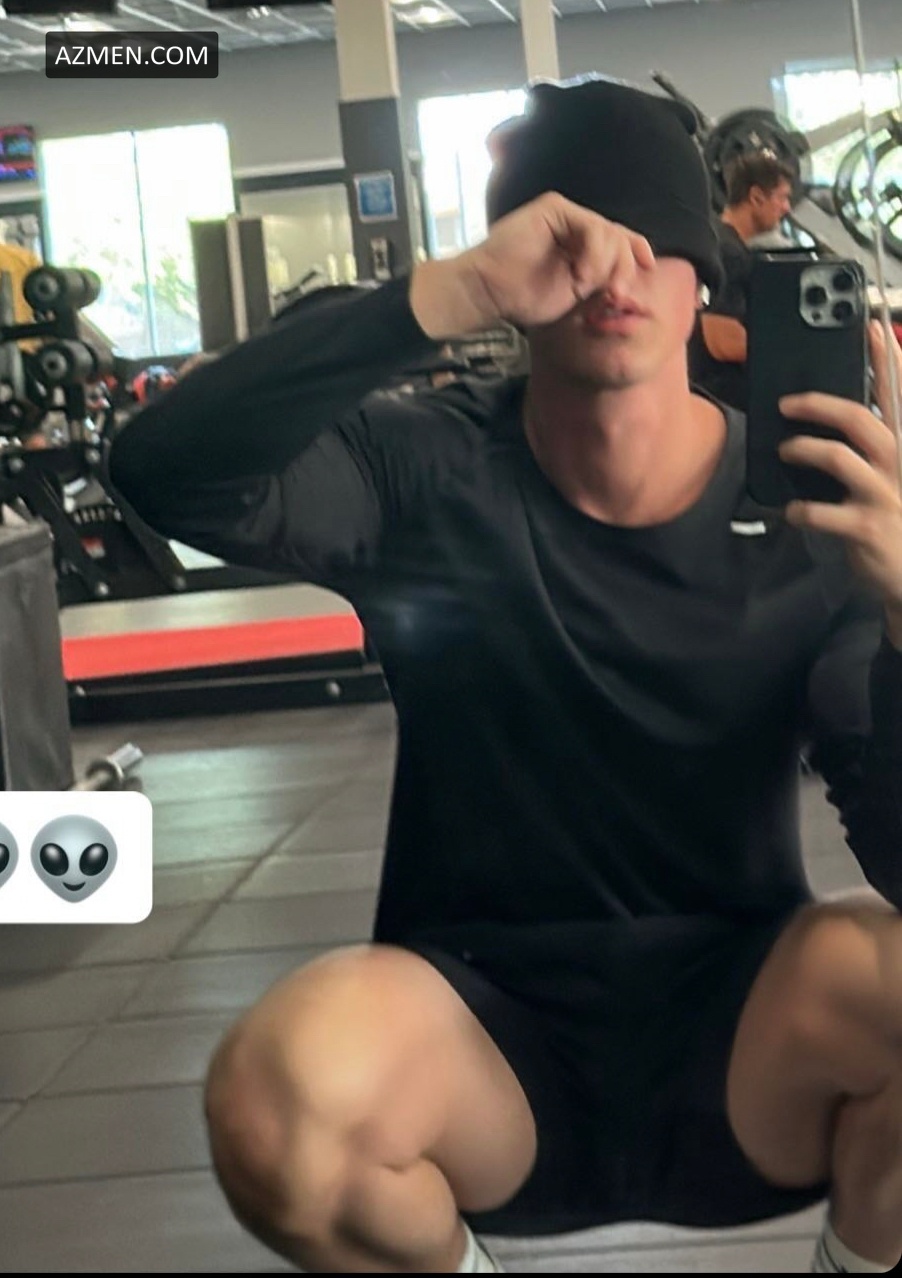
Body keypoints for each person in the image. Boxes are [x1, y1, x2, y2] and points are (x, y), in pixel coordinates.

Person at [105, 78, 902, 1275]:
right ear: (515, 270)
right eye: (570, 243)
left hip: (747, 1043)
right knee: (275, 1098)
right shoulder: (419, 469)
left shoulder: (811, 515)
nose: (615, 274)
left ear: (700, 279)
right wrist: (442, 294)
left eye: (652, 246)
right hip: (472, 1046)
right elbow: (161, 471)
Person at [688, 150, 795, 411]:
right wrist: (796, 355)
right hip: (720, 399)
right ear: (756, 197)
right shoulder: (730, 253)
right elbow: (720, 340)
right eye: (782, 198)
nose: (787, 208)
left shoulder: (716, 236)